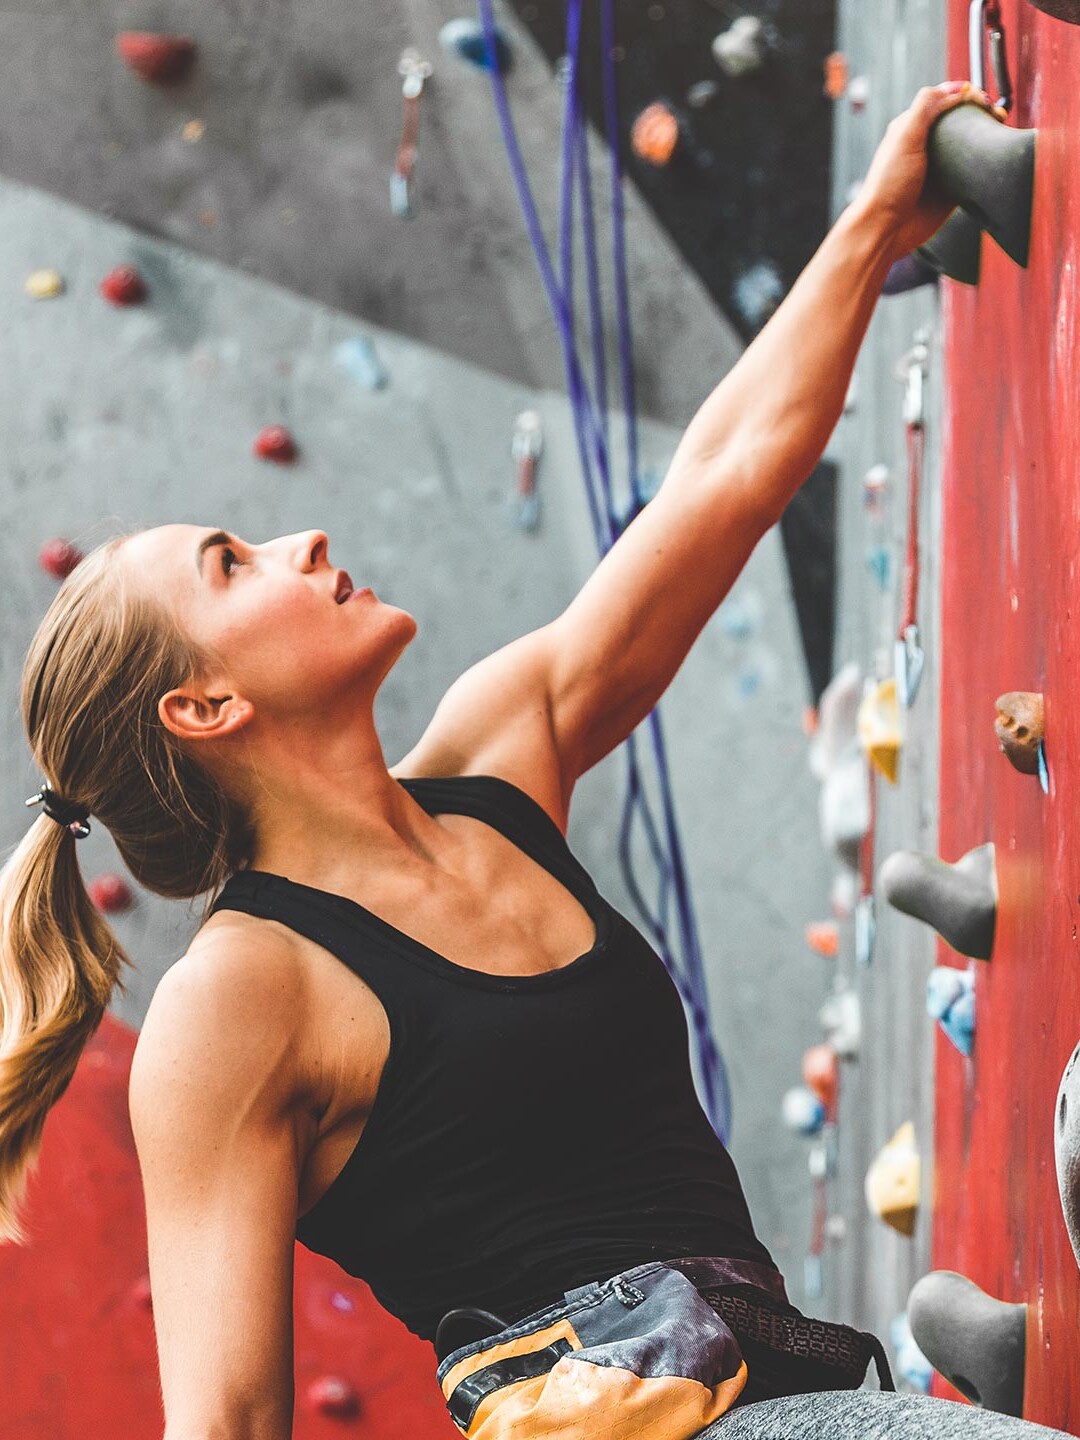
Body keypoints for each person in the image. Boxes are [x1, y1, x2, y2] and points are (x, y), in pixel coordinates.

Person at [0, 81, 1068, 1440]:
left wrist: (871, 224)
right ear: (201, 709)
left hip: (796, 1396)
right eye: (233, 563)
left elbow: (726, 480)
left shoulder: (500, 756)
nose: (303, 543)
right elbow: (222, 1426)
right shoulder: (238, 999)